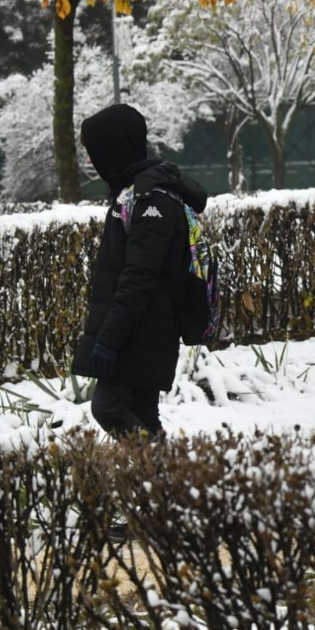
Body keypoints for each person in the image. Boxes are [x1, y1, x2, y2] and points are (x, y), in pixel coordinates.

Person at [71, 103, 207, 441]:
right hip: (144, 328)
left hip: (142, 331)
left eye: (95, 151)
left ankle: (171, 477)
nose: (91, 161)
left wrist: (109, 340)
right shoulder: (132, 194)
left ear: (114, 148)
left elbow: (138, 276)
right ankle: (172, 485)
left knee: (108, 407)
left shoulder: (150, 200)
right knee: (144, 415)